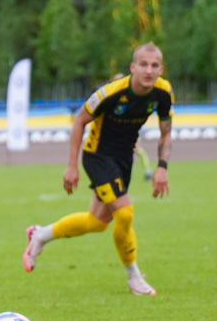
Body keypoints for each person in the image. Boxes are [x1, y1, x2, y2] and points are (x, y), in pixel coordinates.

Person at [22, 43, 173, 295]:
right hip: (97, 156)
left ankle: (40, 235)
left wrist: (162, 167)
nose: (149, 70)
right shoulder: (110, 92)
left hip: (124, 159)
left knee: (98, 222)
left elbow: (166, 133)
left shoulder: (163, 92)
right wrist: (72, 165)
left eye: (154, 65)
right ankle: (133, 275)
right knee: (124, 214)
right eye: (143, 65)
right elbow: (80, 120)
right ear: (133, 67)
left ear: (161, 69)